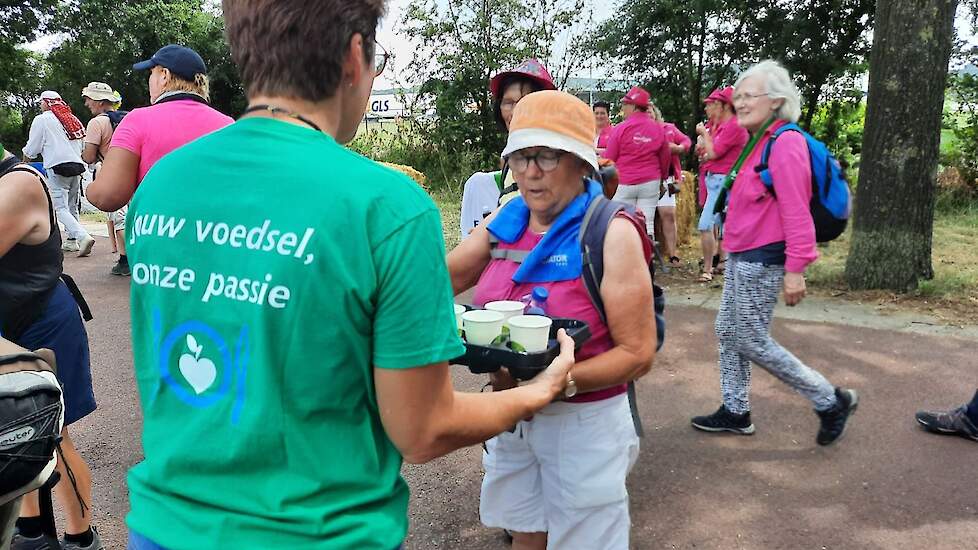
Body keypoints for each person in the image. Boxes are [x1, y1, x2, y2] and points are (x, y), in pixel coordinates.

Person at [108, 2, 575, 548]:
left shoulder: (163, 183)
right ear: (355, 55)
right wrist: (537, 391)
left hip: (164, 527)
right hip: (318, 533)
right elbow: (422, 430)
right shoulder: (388, 205)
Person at [448, 90, 656, 550]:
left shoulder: (610, 230)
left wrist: (555, 384)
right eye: (520, 157)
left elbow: (638, 353)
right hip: (511, 416)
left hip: (585, 424)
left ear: (581, 163)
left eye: (545, 156)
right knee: (525, 530)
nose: (529, 171)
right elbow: (441, 280)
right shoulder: (508, 216)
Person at [690, 60, 858, 447]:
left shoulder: (786, 143)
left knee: (749, 337)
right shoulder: (757, 141)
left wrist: (796, 268)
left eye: (749, 96)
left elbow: (796, 210)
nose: (740, 102)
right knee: (728, 330)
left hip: (763, 257)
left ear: (777, 100)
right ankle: (735, 411)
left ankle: (830, 400)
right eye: (738, 96)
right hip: (741, 252)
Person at [0, 146, 102, 550]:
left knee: (53, 434)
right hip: (10, 322)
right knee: (12, 431)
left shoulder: (20, 182)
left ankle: (82, 537)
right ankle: (33, 531)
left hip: (43, 321)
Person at [87, 44, 233, 278]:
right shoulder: (229, 125)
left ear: (164, 75)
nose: (149, 81)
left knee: (161, 314)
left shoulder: (137, 121)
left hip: (161, 253)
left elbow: (107, 196)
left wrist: (90, 187)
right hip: (219, 247)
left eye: (151, 74)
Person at [460, 59, 556, 238]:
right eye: (508, 103)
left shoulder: (557, 155)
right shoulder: (510, 158)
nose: (516, 111)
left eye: (525, 101)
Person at [22, 91, 94, 258]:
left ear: (47, 103)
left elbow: (32, 148)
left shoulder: (42, 120)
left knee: (59, 207)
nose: (40, 105)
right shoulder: (71, 119)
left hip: (57, 167)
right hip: (77, 166)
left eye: (41, 102)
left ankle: (83, 236)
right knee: (72, 206)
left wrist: (24, 162)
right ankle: (71, 240)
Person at [694, 87, 748, 282]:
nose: (709, 108)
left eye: (712, 104)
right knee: (725, 225)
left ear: (724, 105)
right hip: (715, 179)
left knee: (705, 224)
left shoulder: (733, 126)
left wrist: (704, 135)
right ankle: (724, 265)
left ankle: (708, 269)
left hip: (724, 181)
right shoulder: (721, 126)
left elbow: (714, 153)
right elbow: (707, 153)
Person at [603, 86, 665, 237]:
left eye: (625, 104)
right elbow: (665, 158)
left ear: (634, 106)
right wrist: (661, 179)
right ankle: (648, 257)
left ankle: (625, 255)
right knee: (647, 222)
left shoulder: (620, 129)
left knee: (622, 222)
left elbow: (610, 157)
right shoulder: (658, 129)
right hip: (650, 181)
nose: (623, 108)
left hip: (624, 181)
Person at [80, 82, 128, 274]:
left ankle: (131, 259)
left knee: (120, 218)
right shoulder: (127, 118)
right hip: (135, 171)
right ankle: (128, 259)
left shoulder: (97, 123)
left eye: (89, 99)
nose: (86, 103)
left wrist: (84, 153)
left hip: (113, 173)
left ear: (100, 102)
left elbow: (89, 156)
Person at [651, 106, 690, 266]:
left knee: (668, 214)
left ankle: (673, 254)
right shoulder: (636, 131)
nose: (647, 113)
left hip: (667, 177)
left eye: (649, 110)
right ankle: (647, 254)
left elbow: (686, 141)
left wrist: (679, 148)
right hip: (645, 177)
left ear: (655, 112)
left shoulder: (669, 128)